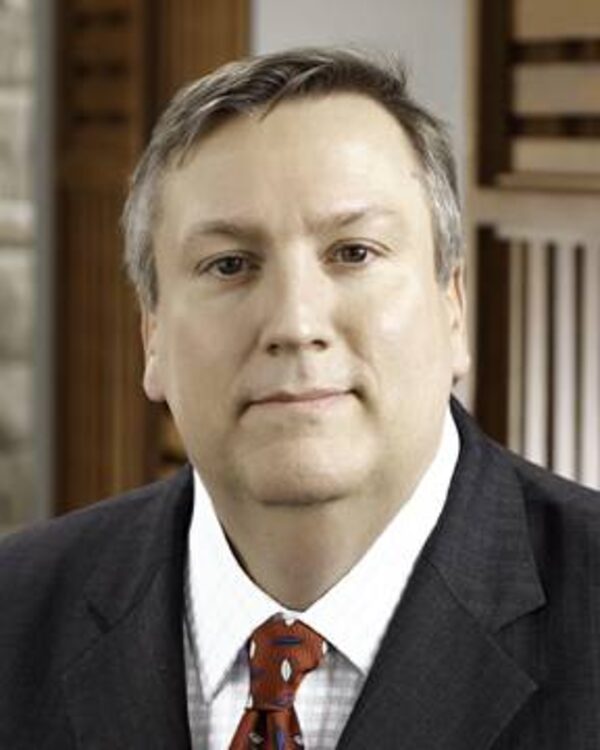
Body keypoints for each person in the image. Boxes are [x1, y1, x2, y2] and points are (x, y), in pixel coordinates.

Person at [1, 47, 599, 750]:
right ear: (152, 336)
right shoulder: (16, 611)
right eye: (229, 265)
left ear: (453, 306)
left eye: (354, 252)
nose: (294, 323)